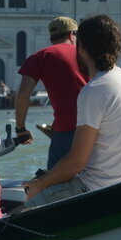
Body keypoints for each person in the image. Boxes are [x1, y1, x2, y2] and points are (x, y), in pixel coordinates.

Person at [23, 15, 121, 207]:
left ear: (82, 48)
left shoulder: (94, 90)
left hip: (102, 190)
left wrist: (38, 185)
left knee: (27, 208)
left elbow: (76, 162)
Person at [14, 17, 89, 169]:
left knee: (57, 185)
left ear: (51, 38)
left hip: (65, 130)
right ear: (72, 35)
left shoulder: (39, 57)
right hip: (97, 127)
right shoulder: (88, 54)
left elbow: (23, 95)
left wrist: (20, 129)